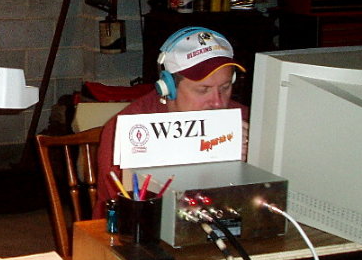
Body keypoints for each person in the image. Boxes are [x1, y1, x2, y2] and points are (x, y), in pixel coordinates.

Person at [93, 26, 250, 218]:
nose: (218, 102)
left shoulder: (243, 119)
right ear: (168, 87)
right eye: (203, 90)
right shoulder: (127, 131)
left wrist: (251, 162)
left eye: (225, 87)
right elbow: (123, 214)